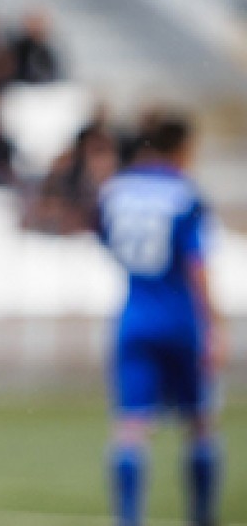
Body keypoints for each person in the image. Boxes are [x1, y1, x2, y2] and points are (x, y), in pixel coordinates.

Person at [96, 111, 225, 526]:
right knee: (200, 422)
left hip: (134, 317)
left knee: (131, 427)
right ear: (182, 148)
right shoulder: (184, 194)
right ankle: (202, 517)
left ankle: (128, 519)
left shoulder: (115, 190)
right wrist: (214, 327)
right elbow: (196, 265)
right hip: (181, 318)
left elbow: (107, 240)